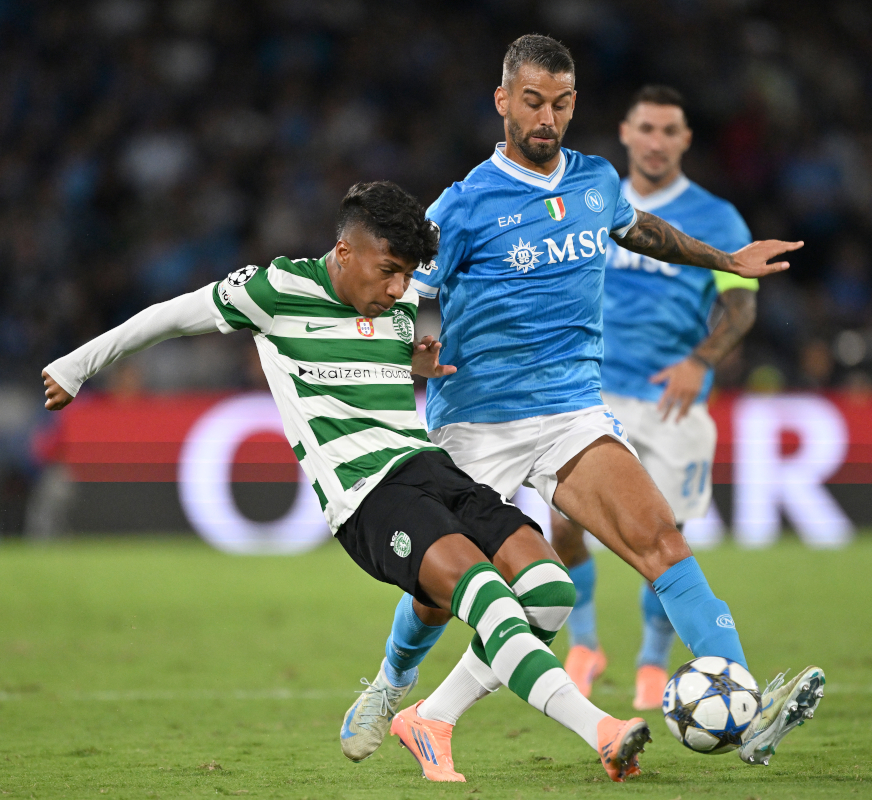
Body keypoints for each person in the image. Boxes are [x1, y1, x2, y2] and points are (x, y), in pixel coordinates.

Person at [40, 181, 655, 783]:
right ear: (345, 253)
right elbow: (166, 318)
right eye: (388, 271)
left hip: (430, 467)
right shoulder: (275, 290)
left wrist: (413, 362)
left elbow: (380, 354)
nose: (399, 289)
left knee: (549, 592)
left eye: (407, 275)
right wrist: (75, 366)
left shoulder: (396, 304)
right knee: (488, 600)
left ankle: (426, 713)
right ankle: (601, 731)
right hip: (367, 496)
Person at [341, 35, 822, 773]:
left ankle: (742, 700)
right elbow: (401, 293)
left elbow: (644, 232)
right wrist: (406, 352)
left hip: (570, 411)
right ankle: (392, 685)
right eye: (532, 101)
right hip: (476, 422)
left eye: (561, 103)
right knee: (442, 596)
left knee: (660, 540)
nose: (547, 118)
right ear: (503, 100)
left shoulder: (597, 182)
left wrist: (727, 260)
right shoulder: (465, 206)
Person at [554, 84, 764, 712]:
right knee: (562, 521)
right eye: (645, 128)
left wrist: (700, 360)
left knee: (665, 534)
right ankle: (586, 642)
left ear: (685, 140)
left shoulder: (718, 218)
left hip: (671, 402)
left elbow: (741, 305)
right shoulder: (590, 201)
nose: (655, 141)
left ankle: (653, 659)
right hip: (587, 392)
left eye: (669, 130)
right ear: (625, 132)